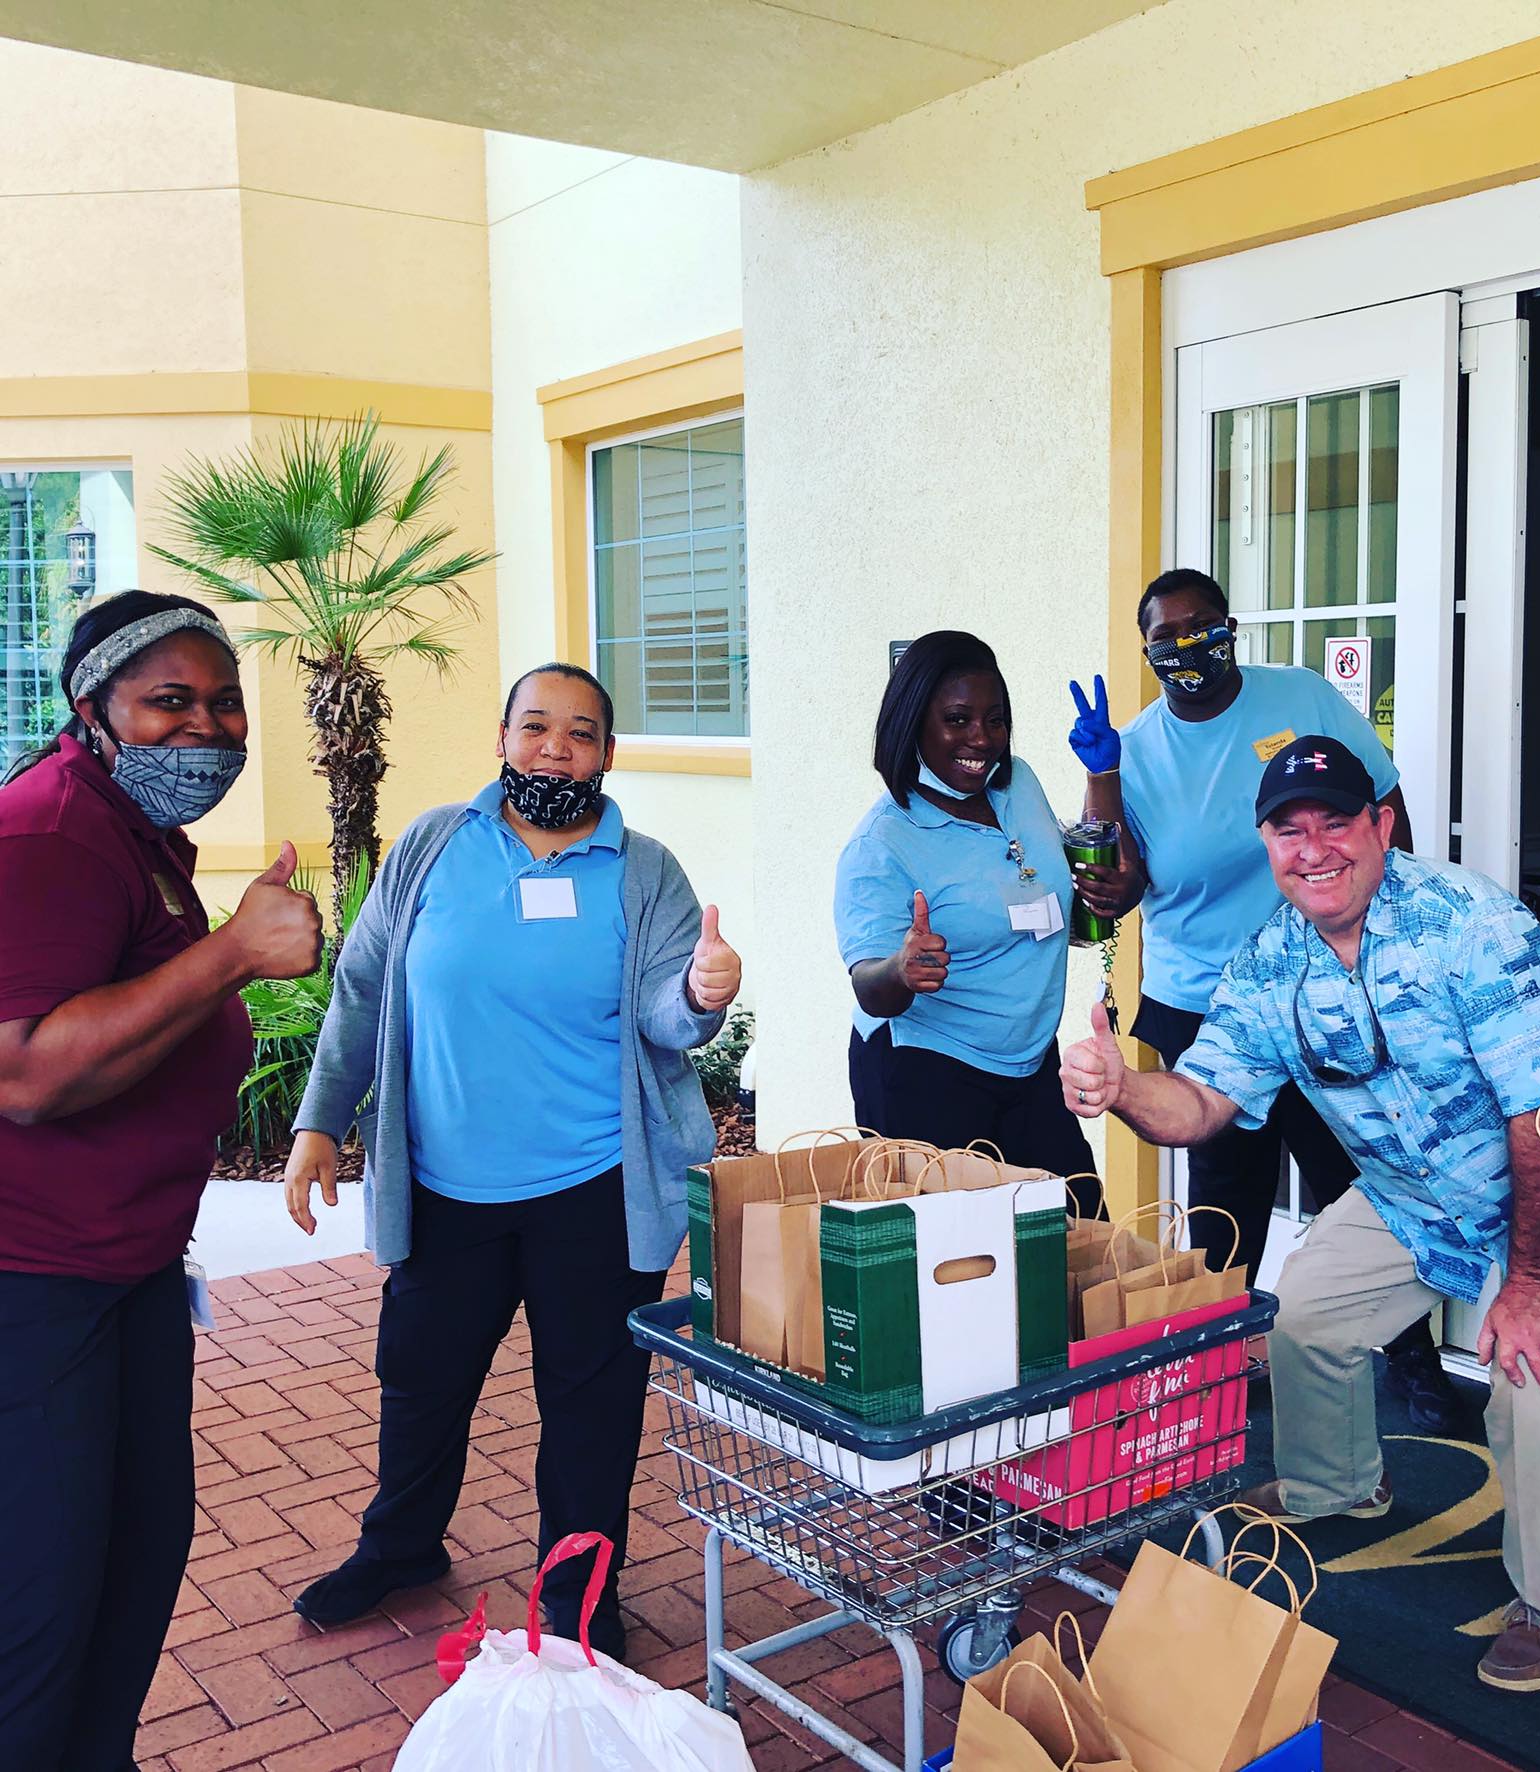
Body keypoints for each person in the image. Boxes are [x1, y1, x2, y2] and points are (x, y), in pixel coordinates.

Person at [1062, 734, 1540, 1691]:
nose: (1313, 849)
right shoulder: (1271, 959)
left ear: (1381, 825)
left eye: (1335, 824)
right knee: (1306, 1309)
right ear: (1267, 844)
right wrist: (1120, 1088)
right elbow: (1199, 1105)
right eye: (1289, 830)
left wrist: (1526, 1282)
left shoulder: (1468, 922)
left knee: (1536, 1369)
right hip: (1409, 1199)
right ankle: (1338, 1485)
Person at [282, 660, 741, 1660]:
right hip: (447, 1186)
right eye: (536, 725)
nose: (556, 747)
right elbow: (362, 988)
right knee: (419, 1379)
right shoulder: (433, 845)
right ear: (501, 736)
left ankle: (578, 1592)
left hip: (594, 1188)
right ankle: (398, 1544)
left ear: (609, 754)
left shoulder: (644, 868)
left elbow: (666, 1018)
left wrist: (701, 994)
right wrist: (321, 1118)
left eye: (581, 732)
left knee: (590, 1402)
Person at [0, 591, 324, 1769]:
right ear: (95, 710)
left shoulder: (129, 833)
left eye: (224, 702)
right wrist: (231, 953)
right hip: (37, 1287)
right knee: (43, 1604)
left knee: (131, 1564)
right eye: (169, 703)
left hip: (127, 1270)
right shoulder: (46, 830)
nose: (207, 729)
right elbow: (25, 1072)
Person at [1068, 567, 1458, 1429]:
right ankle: (1211, 1384)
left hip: (1324, 987)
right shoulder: (1137, 750)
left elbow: (1382, 805)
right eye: (1165, 639)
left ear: (1230, 627)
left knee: (1356, 1178)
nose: (1187, 648)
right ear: (1147, 653)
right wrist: (1101, 777)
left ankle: (1412, 1365)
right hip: (1205, 1006)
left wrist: (1389, 936)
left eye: (1202, 627)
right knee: (1226, 1201)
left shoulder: (1303, 696)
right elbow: (1110, 890)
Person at [836, 631, 1098, 1203]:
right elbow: (869, 988)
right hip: (928, 1074)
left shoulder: (1018, 783)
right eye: (957, 719)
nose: (981, 738)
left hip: (1030, 1063)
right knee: (955, 1267)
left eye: (994, 719)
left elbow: (1047, 888)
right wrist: (901, 972)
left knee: (1078, 1237)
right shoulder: (882, 843)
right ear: (914, 725)